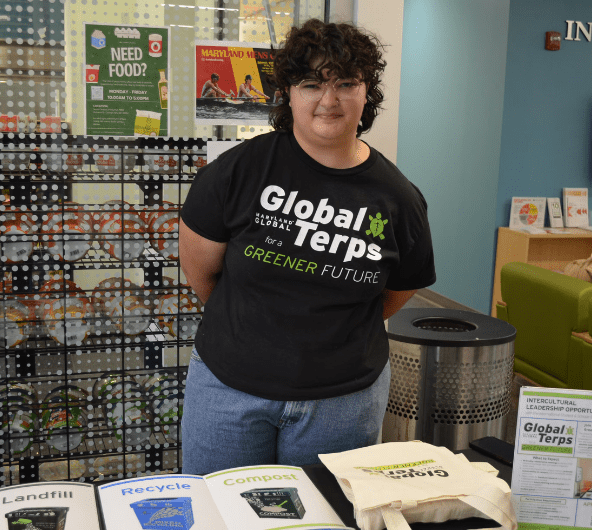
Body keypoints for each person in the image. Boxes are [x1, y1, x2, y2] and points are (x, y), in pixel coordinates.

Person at [178, 18, 436, 475]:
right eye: (311, 83)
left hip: (343, 401)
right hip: (228, 389)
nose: (328, 99)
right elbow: (202, 273)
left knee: (326, 519)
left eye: (345, 83)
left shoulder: (398, 197)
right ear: (289, 93)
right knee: (219, 516)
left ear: (366, 91)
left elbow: (396, 291)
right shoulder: (236, 172)